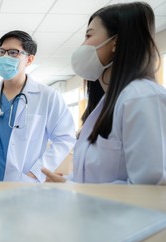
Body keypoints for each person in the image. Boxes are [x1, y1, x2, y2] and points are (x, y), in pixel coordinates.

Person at [42, 2, 166, 185]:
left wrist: (73, 189)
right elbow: (97, 179)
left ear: (115, 42)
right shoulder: (109, 101)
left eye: (88, 35)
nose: (83, 45)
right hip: (95, 211)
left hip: (123, 214)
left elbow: (149, 188)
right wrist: (68, 185)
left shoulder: (141, 97)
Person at [0, 30, 76, 182]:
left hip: (25, 180)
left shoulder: (48, 96)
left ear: (29, 60)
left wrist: (37, 172)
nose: (5, 57)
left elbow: (65, 138)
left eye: (13, 53)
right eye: (2, 52)